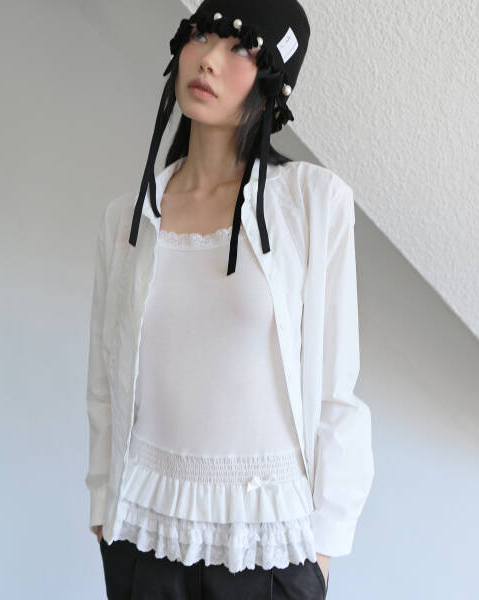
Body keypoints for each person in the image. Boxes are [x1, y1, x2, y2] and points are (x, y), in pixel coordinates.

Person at [84, 1, 375, 598]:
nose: (209, 60)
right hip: (144, 535)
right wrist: (102, 511)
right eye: (200, 36)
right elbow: (104, 383)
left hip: (269, 546)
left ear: (274, 83)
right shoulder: (128, 218)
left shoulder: (313, 203)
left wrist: (321, 553)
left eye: (241, 47)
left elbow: (335, 391)